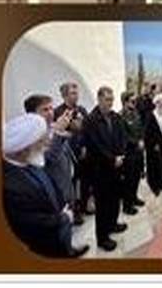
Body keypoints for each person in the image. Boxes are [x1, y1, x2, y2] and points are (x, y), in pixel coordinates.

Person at [2, 113, 84, 258]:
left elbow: (49, 181)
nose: (46, 143)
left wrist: (63, 205)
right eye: (41, 141)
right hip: (45, 242)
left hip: (59, 219)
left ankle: (69, 251)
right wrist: (63, 218)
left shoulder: (31, 159)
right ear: (24, 149)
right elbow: (31, 222)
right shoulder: (10, 185)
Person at [83, 86, 127, 251]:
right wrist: (112, 159)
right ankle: (102, 238)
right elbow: (95, 145)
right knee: (102, 204)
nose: (110, 103)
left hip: (117, 166)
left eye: (112, 100)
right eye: (107, 99)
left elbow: (122, 137)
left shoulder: (115, 117)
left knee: (115, 199)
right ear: (99, 99)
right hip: (100, 169)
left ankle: (113, 224)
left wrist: (120, 155)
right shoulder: (91, 120)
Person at [22, 94, 75, 221]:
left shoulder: (53, 127)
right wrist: (58, 133)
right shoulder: (31, 135)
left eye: (51, 108)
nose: (51, 112)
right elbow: (48, 158)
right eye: (45, 109)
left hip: (65, 187)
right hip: (51, 193)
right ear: (32, 114)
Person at [52, 82, 90, 225]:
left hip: (83, 152)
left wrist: (85, 146)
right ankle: (74, 212)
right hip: (68, 154)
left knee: (84, 181)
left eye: (77, 93)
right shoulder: (58, 112)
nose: (76, 96)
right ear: (64, 95)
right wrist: (70, 128)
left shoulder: (82, 110)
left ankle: (85, 205)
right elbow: (57, 134)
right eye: (73, 93)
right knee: (71, 184)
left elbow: (87, 129)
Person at [118, 91, 146, 215]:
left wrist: (142, 139)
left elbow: (140, 129)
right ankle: (127, 205)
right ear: (125, 102)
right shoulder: (121, 116)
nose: (134, 103)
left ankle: (134, 198)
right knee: (128, 180)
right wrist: (136, 142)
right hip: (129, 152)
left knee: (136, 177)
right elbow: (124, 136)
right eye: (132, 101)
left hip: (138, 152)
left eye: (135, 101)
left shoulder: (136, 113)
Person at [143, 94, 162, 196]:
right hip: (154, 146)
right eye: (161, 103)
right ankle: (155, 187)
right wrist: (153, 144)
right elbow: (147, 133)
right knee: (154, 167)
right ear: (156, 104)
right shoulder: (151, 116)